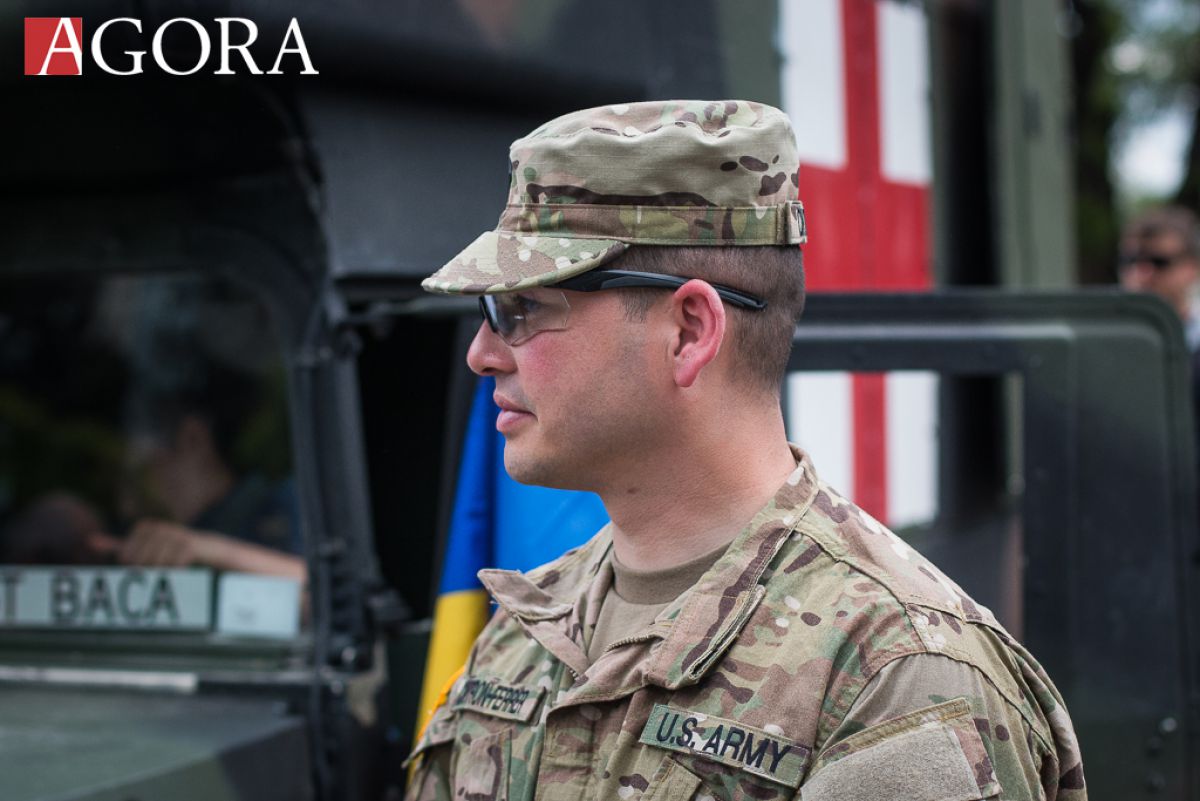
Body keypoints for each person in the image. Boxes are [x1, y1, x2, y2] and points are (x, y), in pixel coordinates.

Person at [405, 100, 1086, 801]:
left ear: (689, 331)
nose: (482, 353)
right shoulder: (524, 634)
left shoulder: (900, 682)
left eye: (521, 309)